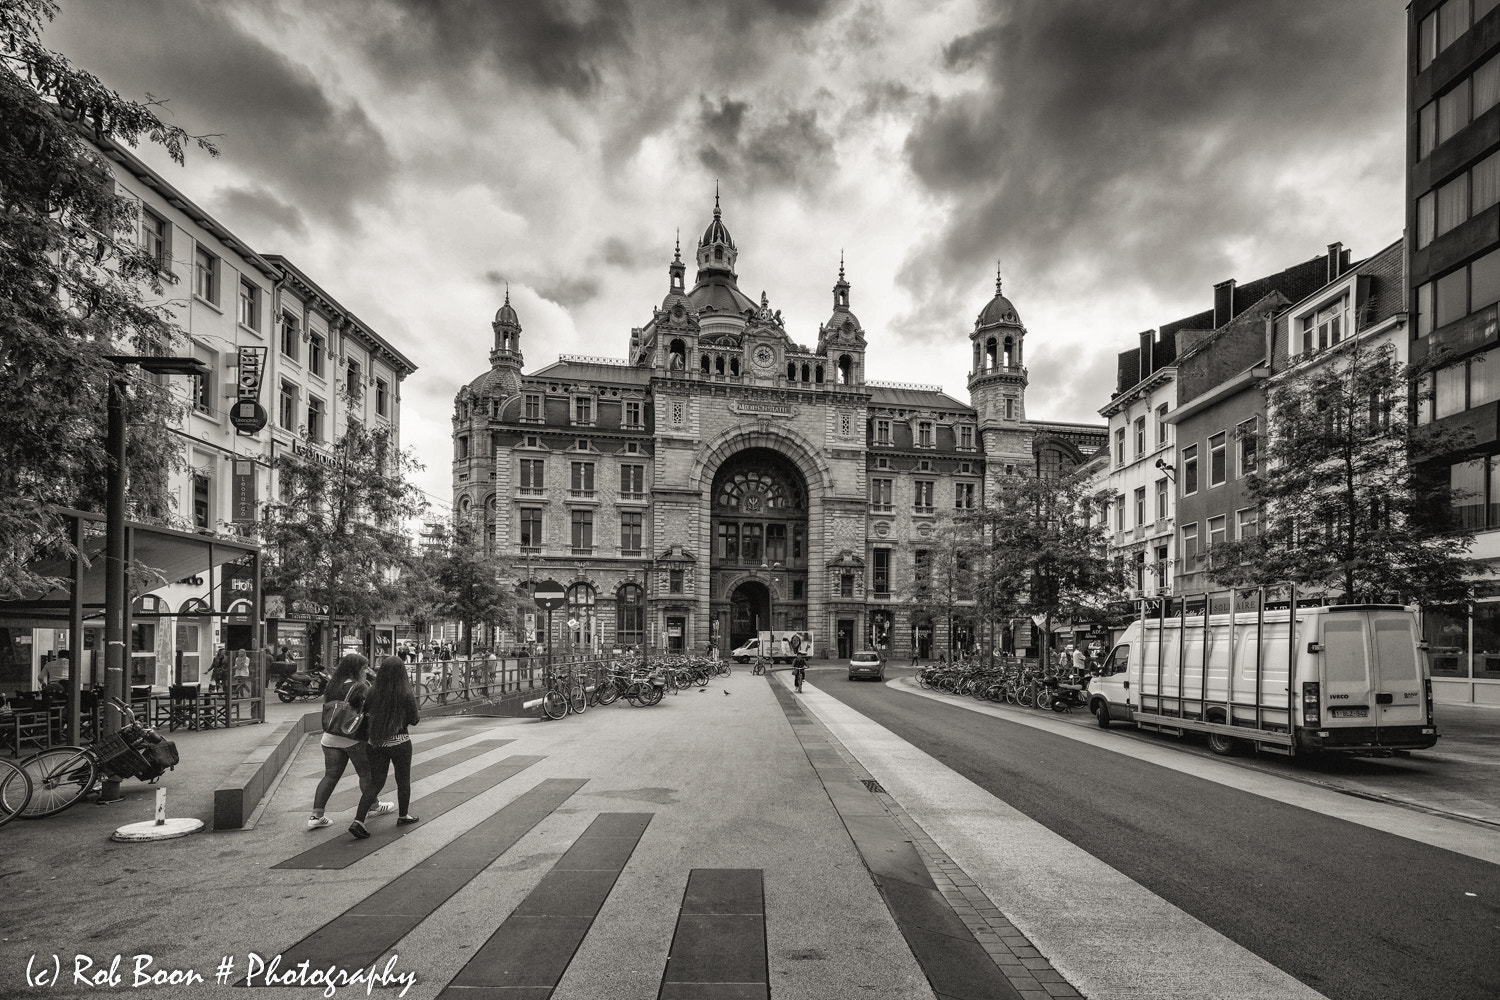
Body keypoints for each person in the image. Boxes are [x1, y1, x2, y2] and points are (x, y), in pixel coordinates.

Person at [306, 653, 391, 832]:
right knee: (366, 774)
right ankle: (374, 806)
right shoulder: (360, 687)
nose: (366, 670)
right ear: (357, 669)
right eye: (364, 667)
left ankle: (316, 816)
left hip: (330, 737)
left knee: (330, 776)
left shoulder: (332, 685)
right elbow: (373, 706)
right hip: (352, 737)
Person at [352, 655, 420, 838]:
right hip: (399, 742)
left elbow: (365, 713)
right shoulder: (405, 693)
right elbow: (414, 720)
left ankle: (358, 821)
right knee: (403, 780)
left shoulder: (372, 691)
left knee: (375, 782)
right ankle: (403, 815)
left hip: (375, 743)